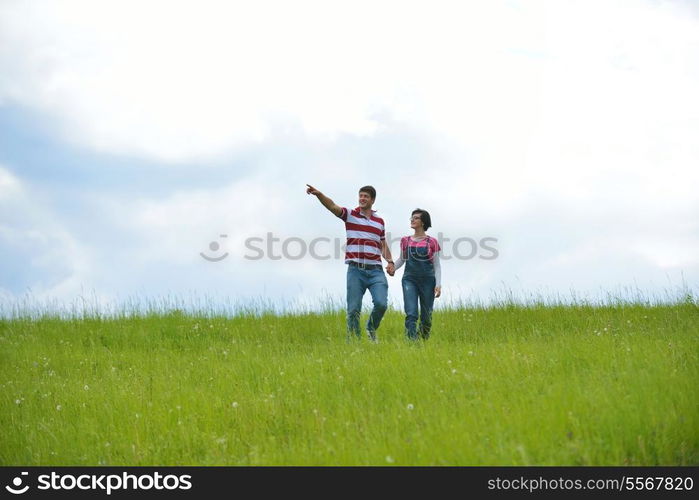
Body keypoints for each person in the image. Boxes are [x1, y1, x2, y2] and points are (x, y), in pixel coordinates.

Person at [306, 184, 395, 342]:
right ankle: (355, 342)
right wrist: (319, 195)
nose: (362, 198)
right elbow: (332, 206)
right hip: (356, 270)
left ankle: (371, 328)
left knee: (381, 304)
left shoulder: (379, 222)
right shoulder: (350, 215)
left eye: (366, 196)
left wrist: (390, 261)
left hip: (376, 270)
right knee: (353, 309)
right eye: (360, 196)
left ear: (372, 200)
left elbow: (382, 244)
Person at [387, 208, 441, 340]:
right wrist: (393, 267)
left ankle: (422, 341)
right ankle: (412, 343)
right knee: (411, 313)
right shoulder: (405, 240)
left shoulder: (432, 242)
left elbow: (437, 265)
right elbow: (402, 259)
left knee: (426, 316)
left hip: (428, 280)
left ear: (423, 222)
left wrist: (438, 284)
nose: (412, 220)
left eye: (416, 218)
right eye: (411, 217)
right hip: (409, 280)